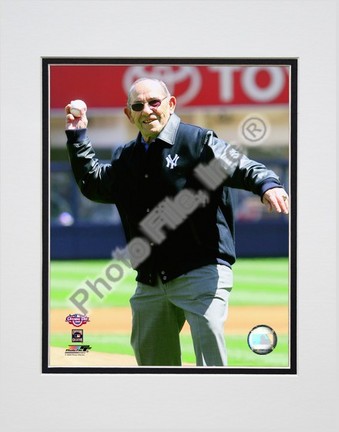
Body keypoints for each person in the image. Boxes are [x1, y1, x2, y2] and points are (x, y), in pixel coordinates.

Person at [65, 77, 289, 367]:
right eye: (138, 105)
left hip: (201, 271)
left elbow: (240, 165)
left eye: (154, 102)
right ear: (128, 114)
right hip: (151, 280)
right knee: (153, 368)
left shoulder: (196, 142)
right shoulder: (126, 157)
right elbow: (94, 184)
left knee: (210, 365)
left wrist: (267, 183)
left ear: (170, 104)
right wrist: (78, 136)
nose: (147, 110)